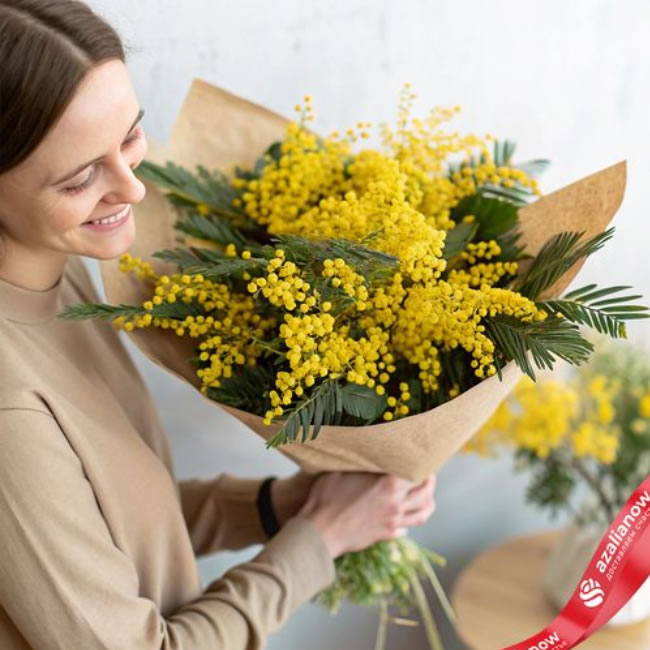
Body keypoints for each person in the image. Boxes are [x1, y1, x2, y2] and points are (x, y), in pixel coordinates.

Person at [0, 1, 437, 648]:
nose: (135, 189)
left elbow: (117, 525)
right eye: (81, 178)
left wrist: (277, 507)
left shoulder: (55, 275)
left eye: (128, 138)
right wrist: (319, 541)